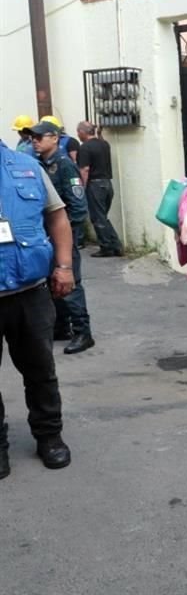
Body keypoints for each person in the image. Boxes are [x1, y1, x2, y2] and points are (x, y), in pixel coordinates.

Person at [0, 139, 76, 480]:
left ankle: (49, 436)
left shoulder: (27, 167)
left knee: (40, 369)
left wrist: (64, 266)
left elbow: (57, 217)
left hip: (30, 291)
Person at [30, 121, 95, 355]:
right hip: (46, 234)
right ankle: (62, 326)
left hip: (63, 234)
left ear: (55, 138)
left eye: (39, 137)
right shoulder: (41, 164)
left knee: (71, 281)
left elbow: (77, 204)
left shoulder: (65, 165)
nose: (34, 141)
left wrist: (71, 234)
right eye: (32, 138)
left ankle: (82, 331)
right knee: (52, 281)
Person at [76, 121, 124, 257]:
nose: (78, 134)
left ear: (83, 132)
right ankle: (116, 245)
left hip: (95, 185)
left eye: (78, 132)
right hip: (107, 184)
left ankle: (107, 247)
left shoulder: (85, 148)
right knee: (102, 217)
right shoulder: (104, 144)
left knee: (98, 218)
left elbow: (85, 169)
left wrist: (82, 188)